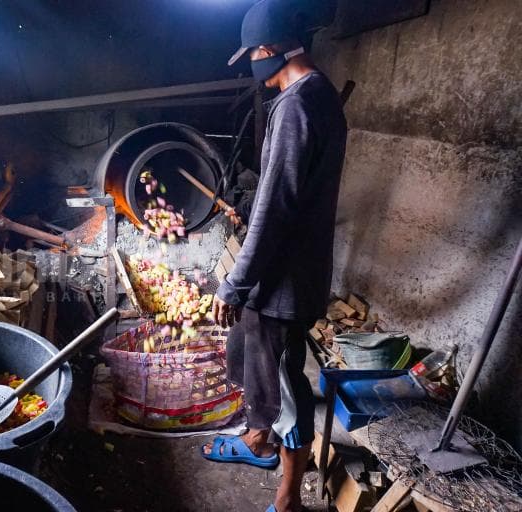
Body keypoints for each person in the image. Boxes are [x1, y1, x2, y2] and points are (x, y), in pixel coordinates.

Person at [201, 1, 347, 511]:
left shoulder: (295, 106)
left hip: (283, 282)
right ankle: (258, 441)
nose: (251, 67)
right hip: (286, 272)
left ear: (269, 50)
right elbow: (282, 194)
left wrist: (235, 283)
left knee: (287, 389)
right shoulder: (320, 94)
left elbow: (278, 207)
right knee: (256, 363)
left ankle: (287, 500)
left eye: (252, 57)